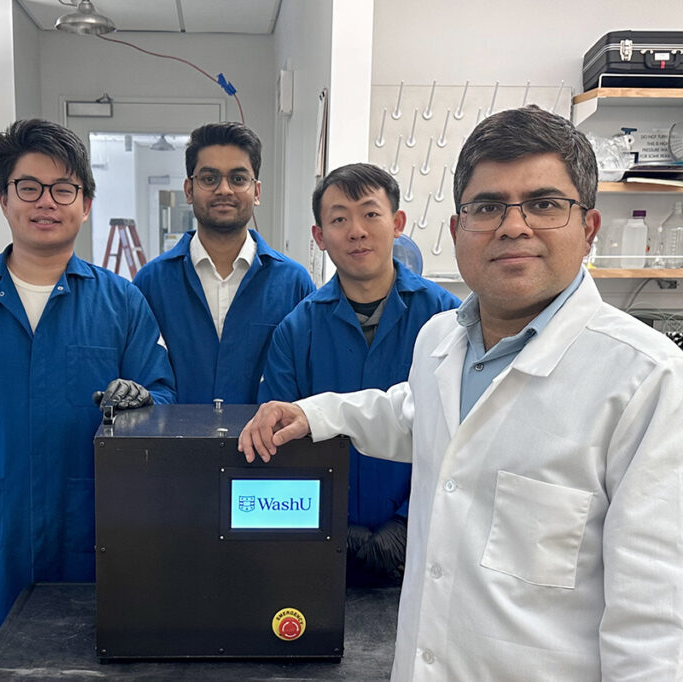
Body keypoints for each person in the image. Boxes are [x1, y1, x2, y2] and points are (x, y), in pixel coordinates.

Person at [240, 106, 683, 680]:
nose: (513, 226)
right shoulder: (441, 340)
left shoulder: (647, 381)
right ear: (457, 230)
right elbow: (408, 412)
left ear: (590, 227)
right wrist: (310, 412)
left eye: (545, 205)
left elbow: (653, 631)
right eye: (488, 207)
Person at [0, 119, 174, 662]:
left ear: (85, 204)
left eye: (64, 189)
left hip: (92, 528)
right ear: (3, 198)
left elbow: (162, 397)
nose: (47, 202)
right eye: (29, 187)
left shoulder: (122, 302)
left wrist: (144, 402)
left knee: (88, 659)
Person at [258, 163, 460, 587]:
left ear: (397, 223)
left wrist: (408, 522)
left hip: (426, 545)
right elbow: (279, 448)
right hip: (319, 550)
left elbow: (461, 434)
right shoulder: (296, 332)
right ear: (319, 236)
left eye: (370, 213)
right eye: (338, 219)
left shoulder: (447, 320)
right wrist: (324, 525)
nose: (356, 231)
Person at [133, 122, 314, 404]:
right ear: (189, 190)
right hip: (173, 447)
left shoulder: (293, 284)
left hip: (269, 448)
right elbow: (142, 380)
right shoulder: (150, 283)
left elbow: (305, 381)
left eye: (239, 179)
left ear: (256, 192)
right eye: (209, 178)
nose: (224, 190)